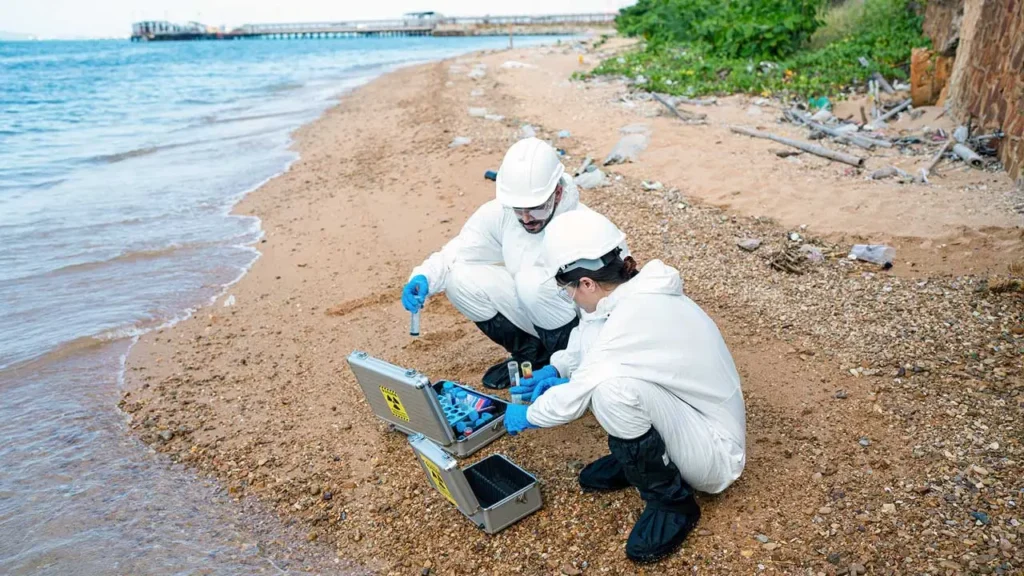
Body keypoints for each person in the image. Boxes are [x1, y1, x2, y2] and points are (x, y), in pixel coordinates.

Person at [501, 210, 746, 564]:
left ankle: (672, 503)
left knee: (611, 392)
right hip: (687, 418)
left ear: (586, 283)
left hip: (716, 453)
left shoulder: (636, 314)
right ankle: (641, 461)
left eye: (568, 289)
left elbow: (579, 393)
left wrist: (529, 415)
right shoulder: (625, 294)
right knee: (612, 384)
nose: (570, 297)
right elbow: (591, 337)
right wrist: (558, 367)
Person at [401, 138, 627, 389]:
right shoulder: (505, 214)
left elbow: (613, 309)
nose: (527, 218)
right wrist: (424, 276)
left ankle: (564, 369)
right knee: (459, 281)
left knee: (534, 285)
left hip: (582, 325)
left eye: (536, 209)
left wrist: (571, 365)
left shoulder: (588, 229)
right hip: (535, 311)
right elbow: (460, 250)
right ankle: (533, 358)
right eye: (519, 209)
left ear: (558, 192)